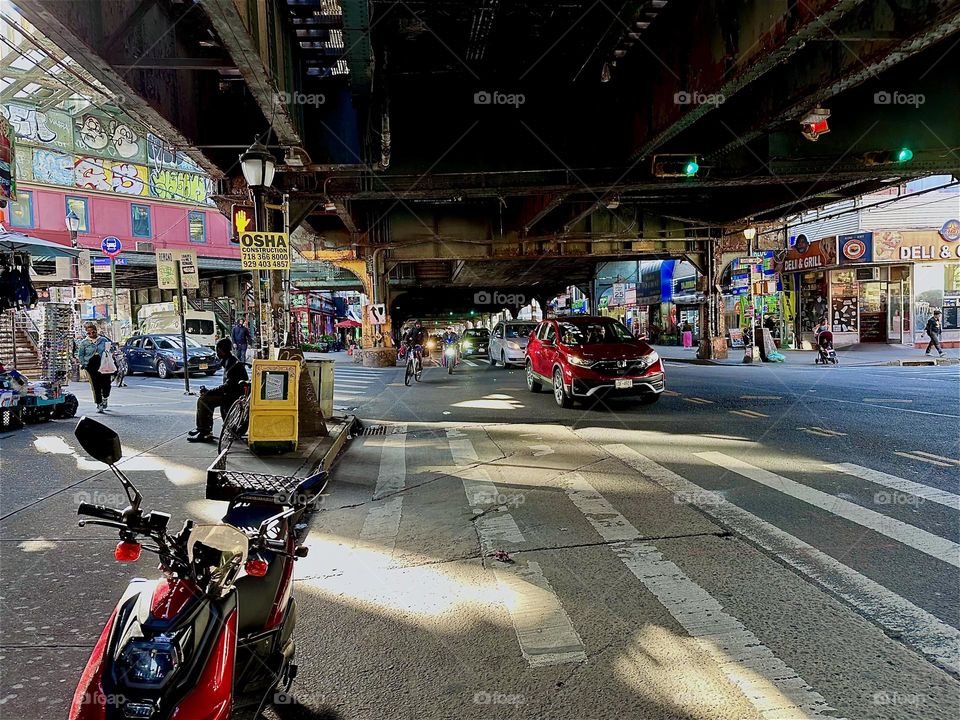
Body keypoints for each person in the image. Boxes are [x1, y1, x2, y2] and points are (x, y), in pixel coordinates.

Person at [188, 339, 249, 443]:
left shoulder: (232, 364)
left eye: (217, 350)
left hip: (233, 396)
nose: (216, 352)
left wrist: (210, 392)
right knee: (204, 399)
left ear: (221, 350)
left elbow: (228, 386)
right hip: (231, 393)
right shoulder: (229, 361)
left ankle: (205, 432)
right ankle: (203, 429)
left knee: (203, 400)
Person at [76, 322, 112, 412]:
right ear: (86, 333)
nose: (92, 334)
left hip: (103, 363)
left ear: (96, 331)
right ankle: (99, 403)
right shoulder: (84, 343)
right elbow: (80, 355)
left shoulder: (103, 340)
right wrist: (84, 364)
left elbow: (111, 348)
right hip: (91, 365)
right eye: (89, 333)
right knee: (96, 385)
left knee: (107, 384)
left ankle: (105, 397)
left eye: (93, 332)